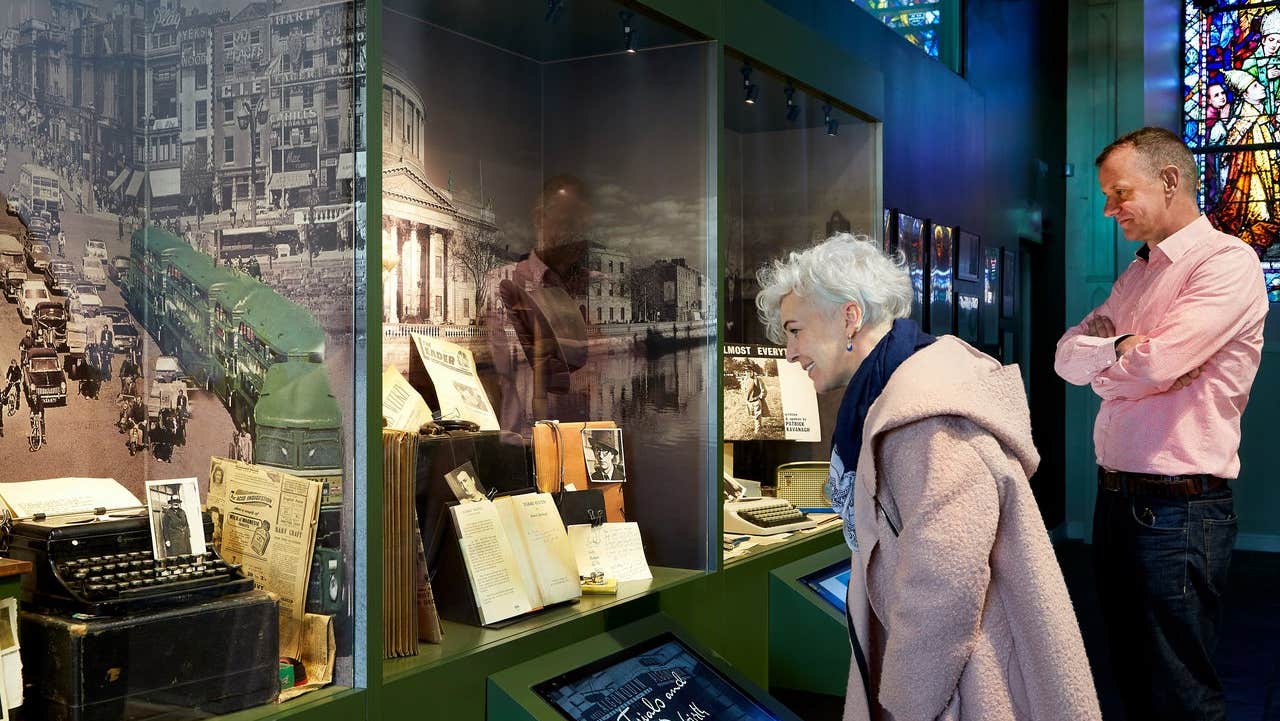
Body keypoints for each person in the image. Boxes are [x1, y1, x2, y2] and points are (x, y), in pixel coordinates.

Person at [757, 233, 1100, 721]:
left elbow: (945, 581)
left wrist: (906, 704)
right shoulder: (900, 395)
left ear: (849, 316)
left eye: (795, 330)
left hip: (969, 690)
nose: (789, 351)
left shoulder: (923, 418)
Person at [1055, 127, 1268, 720]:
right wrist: (1120, 356)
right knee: (1128, 671)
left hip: (1178, 512)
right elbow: (1067, 356)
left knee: (1180, 688)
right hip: (1116, 501)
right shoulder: (1140, 272)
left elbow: (1162, 361)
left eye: (1120, 192)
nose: (1107, 208)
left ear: (1169, 180)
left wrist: (1120, 360)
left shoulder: (1228, 262)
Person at [1211, 70, 1280, 254]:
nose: (1262, 88)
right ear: (1245, 95)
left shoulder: (1262, 110)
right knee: (1260, 208)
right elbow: (1235, 138)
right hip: (1252, 172)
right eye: (1255, 86)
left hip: (1268, 164)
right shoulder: (1245, 116)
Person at [742, 364, 769, 435]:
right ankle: (759, 426)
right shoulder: (745, 379)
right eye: (745, 371)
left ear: (752, 371)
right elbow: (744, 389)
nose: (747, 373)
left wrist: (760, 397)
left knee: (757, 416)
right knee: (754, 415)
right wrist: (746, 398)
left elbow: (764, 390)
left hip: (756, 401)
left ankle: (758, 432)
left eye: (748, 371)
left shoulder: (757, 379)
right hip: (749, 401)